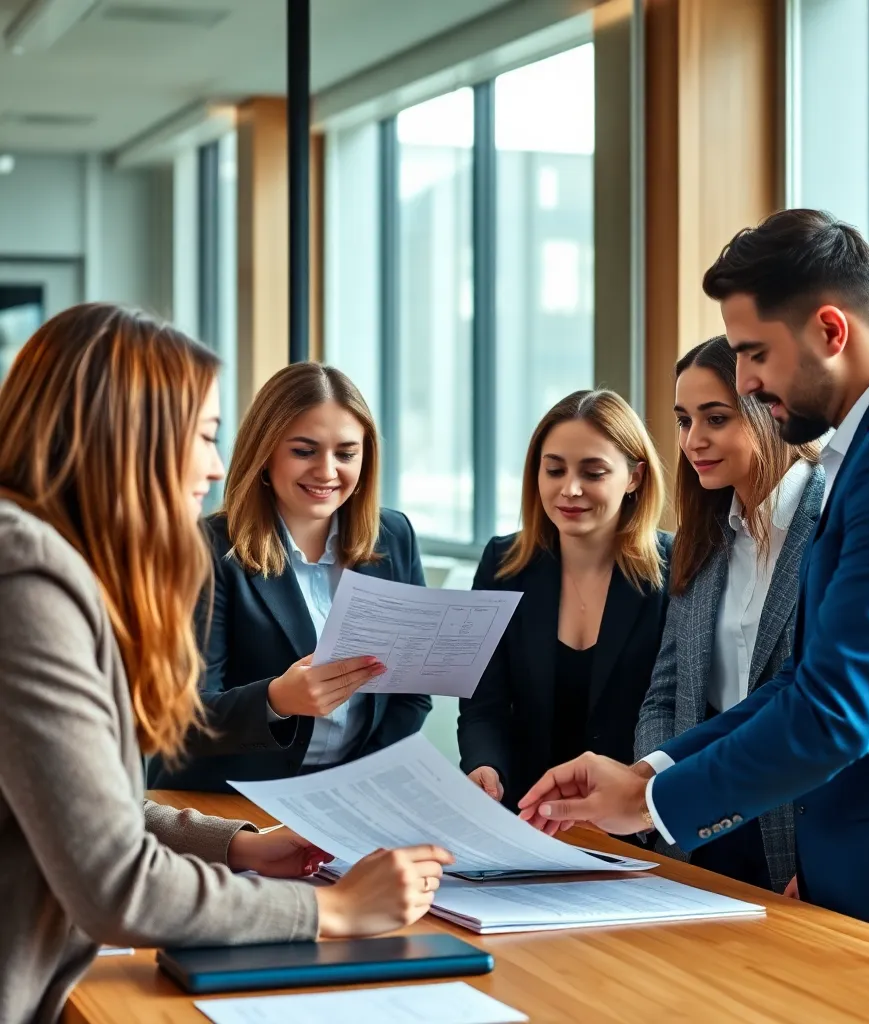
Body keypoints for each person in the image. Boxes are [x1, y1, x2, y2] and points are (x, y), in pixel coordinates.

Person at [519, 209, 869, 970]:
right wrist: (650, 771)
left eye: (755, 354)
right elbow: (805, 676)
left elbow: (835, 711)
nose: (748, 378)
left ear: (830, 329)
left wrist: (650, 805)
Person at [0, 305, 452, 1024]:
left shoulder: (47, 563)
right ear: (127, 436)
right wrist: (329, 910)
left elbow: (91, 808)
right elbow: (116, 882)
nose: (215, 466)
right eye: (205, 436)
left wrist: (237, 847)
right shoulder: (26, 579)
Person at [150, 363, 431, 791]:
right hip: (229, 803)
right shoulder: (206, 548)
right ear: (264, 454)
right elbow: (182, 718)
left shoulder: (394, 537)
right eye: (304, 451)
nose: (327, 471)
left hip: (349, 795)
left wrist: (362, 784)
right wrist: (275, 700)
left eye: (346, 453)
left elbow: (412, 693)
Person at [634, 336, 823, 892]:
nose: (694, 441)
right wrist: (651, 801)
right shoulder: (705, 535)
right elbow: (665, 692)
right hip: (700, 823)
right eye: (684, 421)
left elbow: (838, 706)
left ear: (769, 413)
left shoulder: (833, 518)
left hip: (799, 833)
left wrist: (824, 853)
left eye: (715, 418)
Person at [457, 389, 671, 811]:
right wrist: (485, 765)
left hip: (628, 823)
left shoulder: (677, 568)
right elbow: (482, 704)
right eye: (554, 470)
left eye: (593, 473)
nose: (569, 489)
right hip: (523, 812)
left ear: (635, 477)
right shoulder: (503, 563)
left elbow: (677, 708)